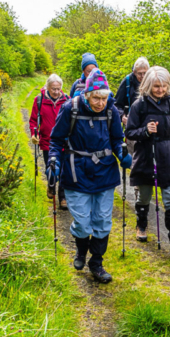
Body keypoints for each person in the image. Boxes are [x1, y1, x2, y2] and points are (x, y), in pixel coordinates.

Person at [49, 69, 132, 284]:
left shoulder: (111, 111)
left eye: (104, 98)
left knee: (102, 220)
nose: (100, 103)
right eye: (96, 97)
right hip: (77, 172)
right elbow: (56, 141)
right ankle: (80, 251)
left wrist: (122, 154)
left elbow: (116, 139)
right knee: (83, 222)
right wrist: (54, 161)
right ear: (86, 94)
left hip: (104, 171)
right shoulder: (71, 109)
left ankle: (96, 263)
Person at [125, 66, 170, 255]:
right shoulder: (139, 105)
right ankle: (141, 225)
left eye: (164, 86)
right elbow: (129, 132)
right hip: (145, 155)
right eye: (156, 86)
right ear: (147, 85)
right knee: (144, 196)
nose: (160, 90)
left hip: (167, 155)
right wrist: (145, 131)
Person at [29, 74, 70, 208]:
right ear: (47, 87)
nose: (56, 92)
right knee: (51, 168)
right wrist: (34, 134)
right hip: (47, 142)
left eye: (58, 89)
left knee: (64, 169)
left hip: (64, 142)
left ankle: (62, 197)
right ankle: (51, 184)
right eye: (53, 89)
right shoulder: (39, 100)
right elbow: (33, 120)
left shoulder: (67, 100)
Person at [115, 57, 150, 199]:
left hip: (148, 127)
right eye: (139, 73)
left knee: (146, 157)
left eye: (144, 73)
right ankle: (138, 190)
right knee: (135, 159)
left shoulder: (153, 81)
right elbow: (116, 105)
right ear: (134, 71)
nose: (142, 76)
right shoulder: (127, 82)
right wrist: (122, 116)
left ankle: (143, 188)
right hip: (132, 127)